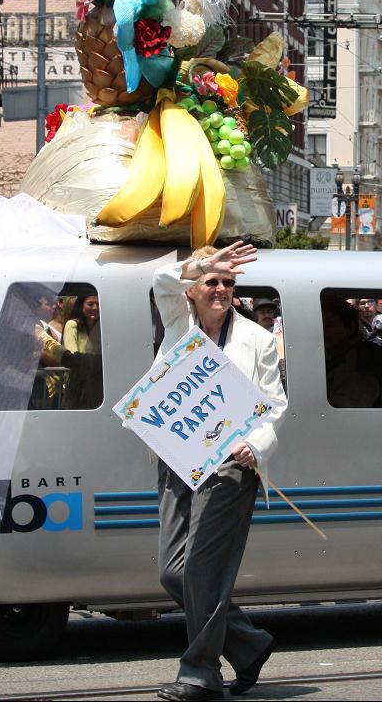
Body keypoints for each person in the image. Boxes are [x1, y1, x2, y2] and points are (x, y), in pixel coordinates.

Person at [152, 242, 285, 701]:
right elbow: (161, 282)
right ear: (193, 290)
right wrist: (200, 263)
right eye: (212, 281)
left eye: (228, 282)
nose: (221, 289)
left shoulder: (258, 339)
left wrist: (256, 444)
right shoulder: (176, 322)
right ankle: (248, 645)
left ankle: (200, 673)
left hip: (230, 467)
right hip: (178, 461)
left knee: (204, 571)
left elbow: (273, 405)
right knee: (173, 572)